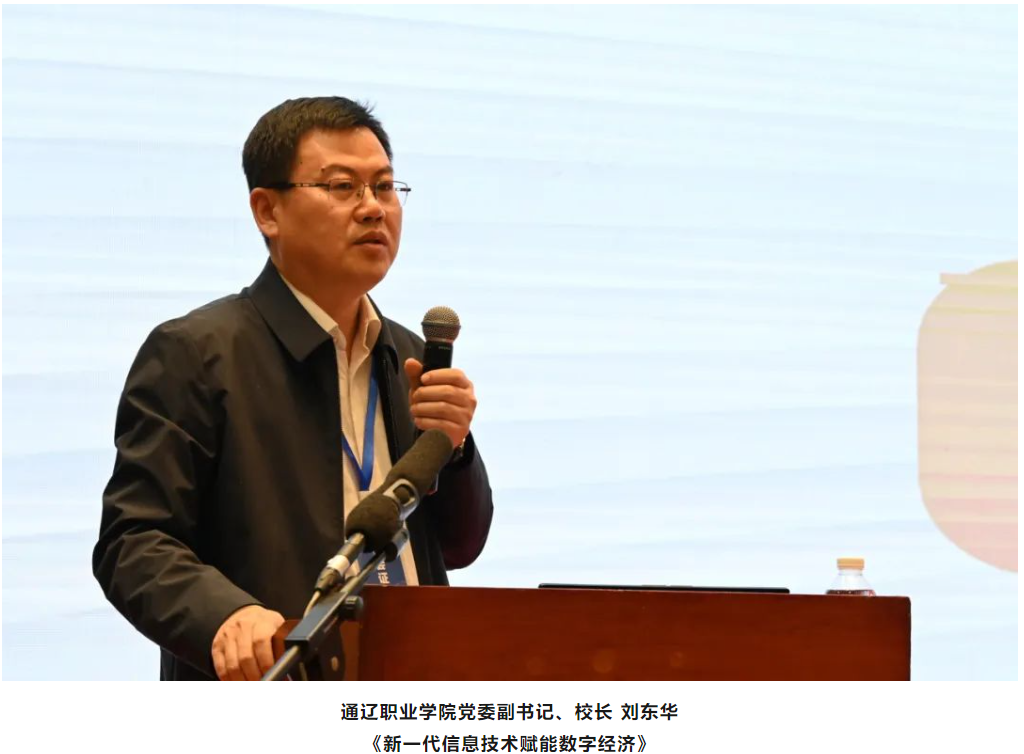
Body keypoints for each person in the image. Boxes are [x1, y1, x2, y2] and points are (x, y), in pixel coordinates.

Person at [92, 97, 494, 681]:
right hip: (273, 682)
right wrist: (224, 614)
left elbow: (459, 546)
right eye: (342, 187)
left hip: (404, 680)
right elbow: (133, 542)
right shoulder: (198, 353)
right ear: (267, 211)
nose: (372, 208)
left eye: (385, 187)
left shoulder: (408, 354)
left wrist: (454, 451)